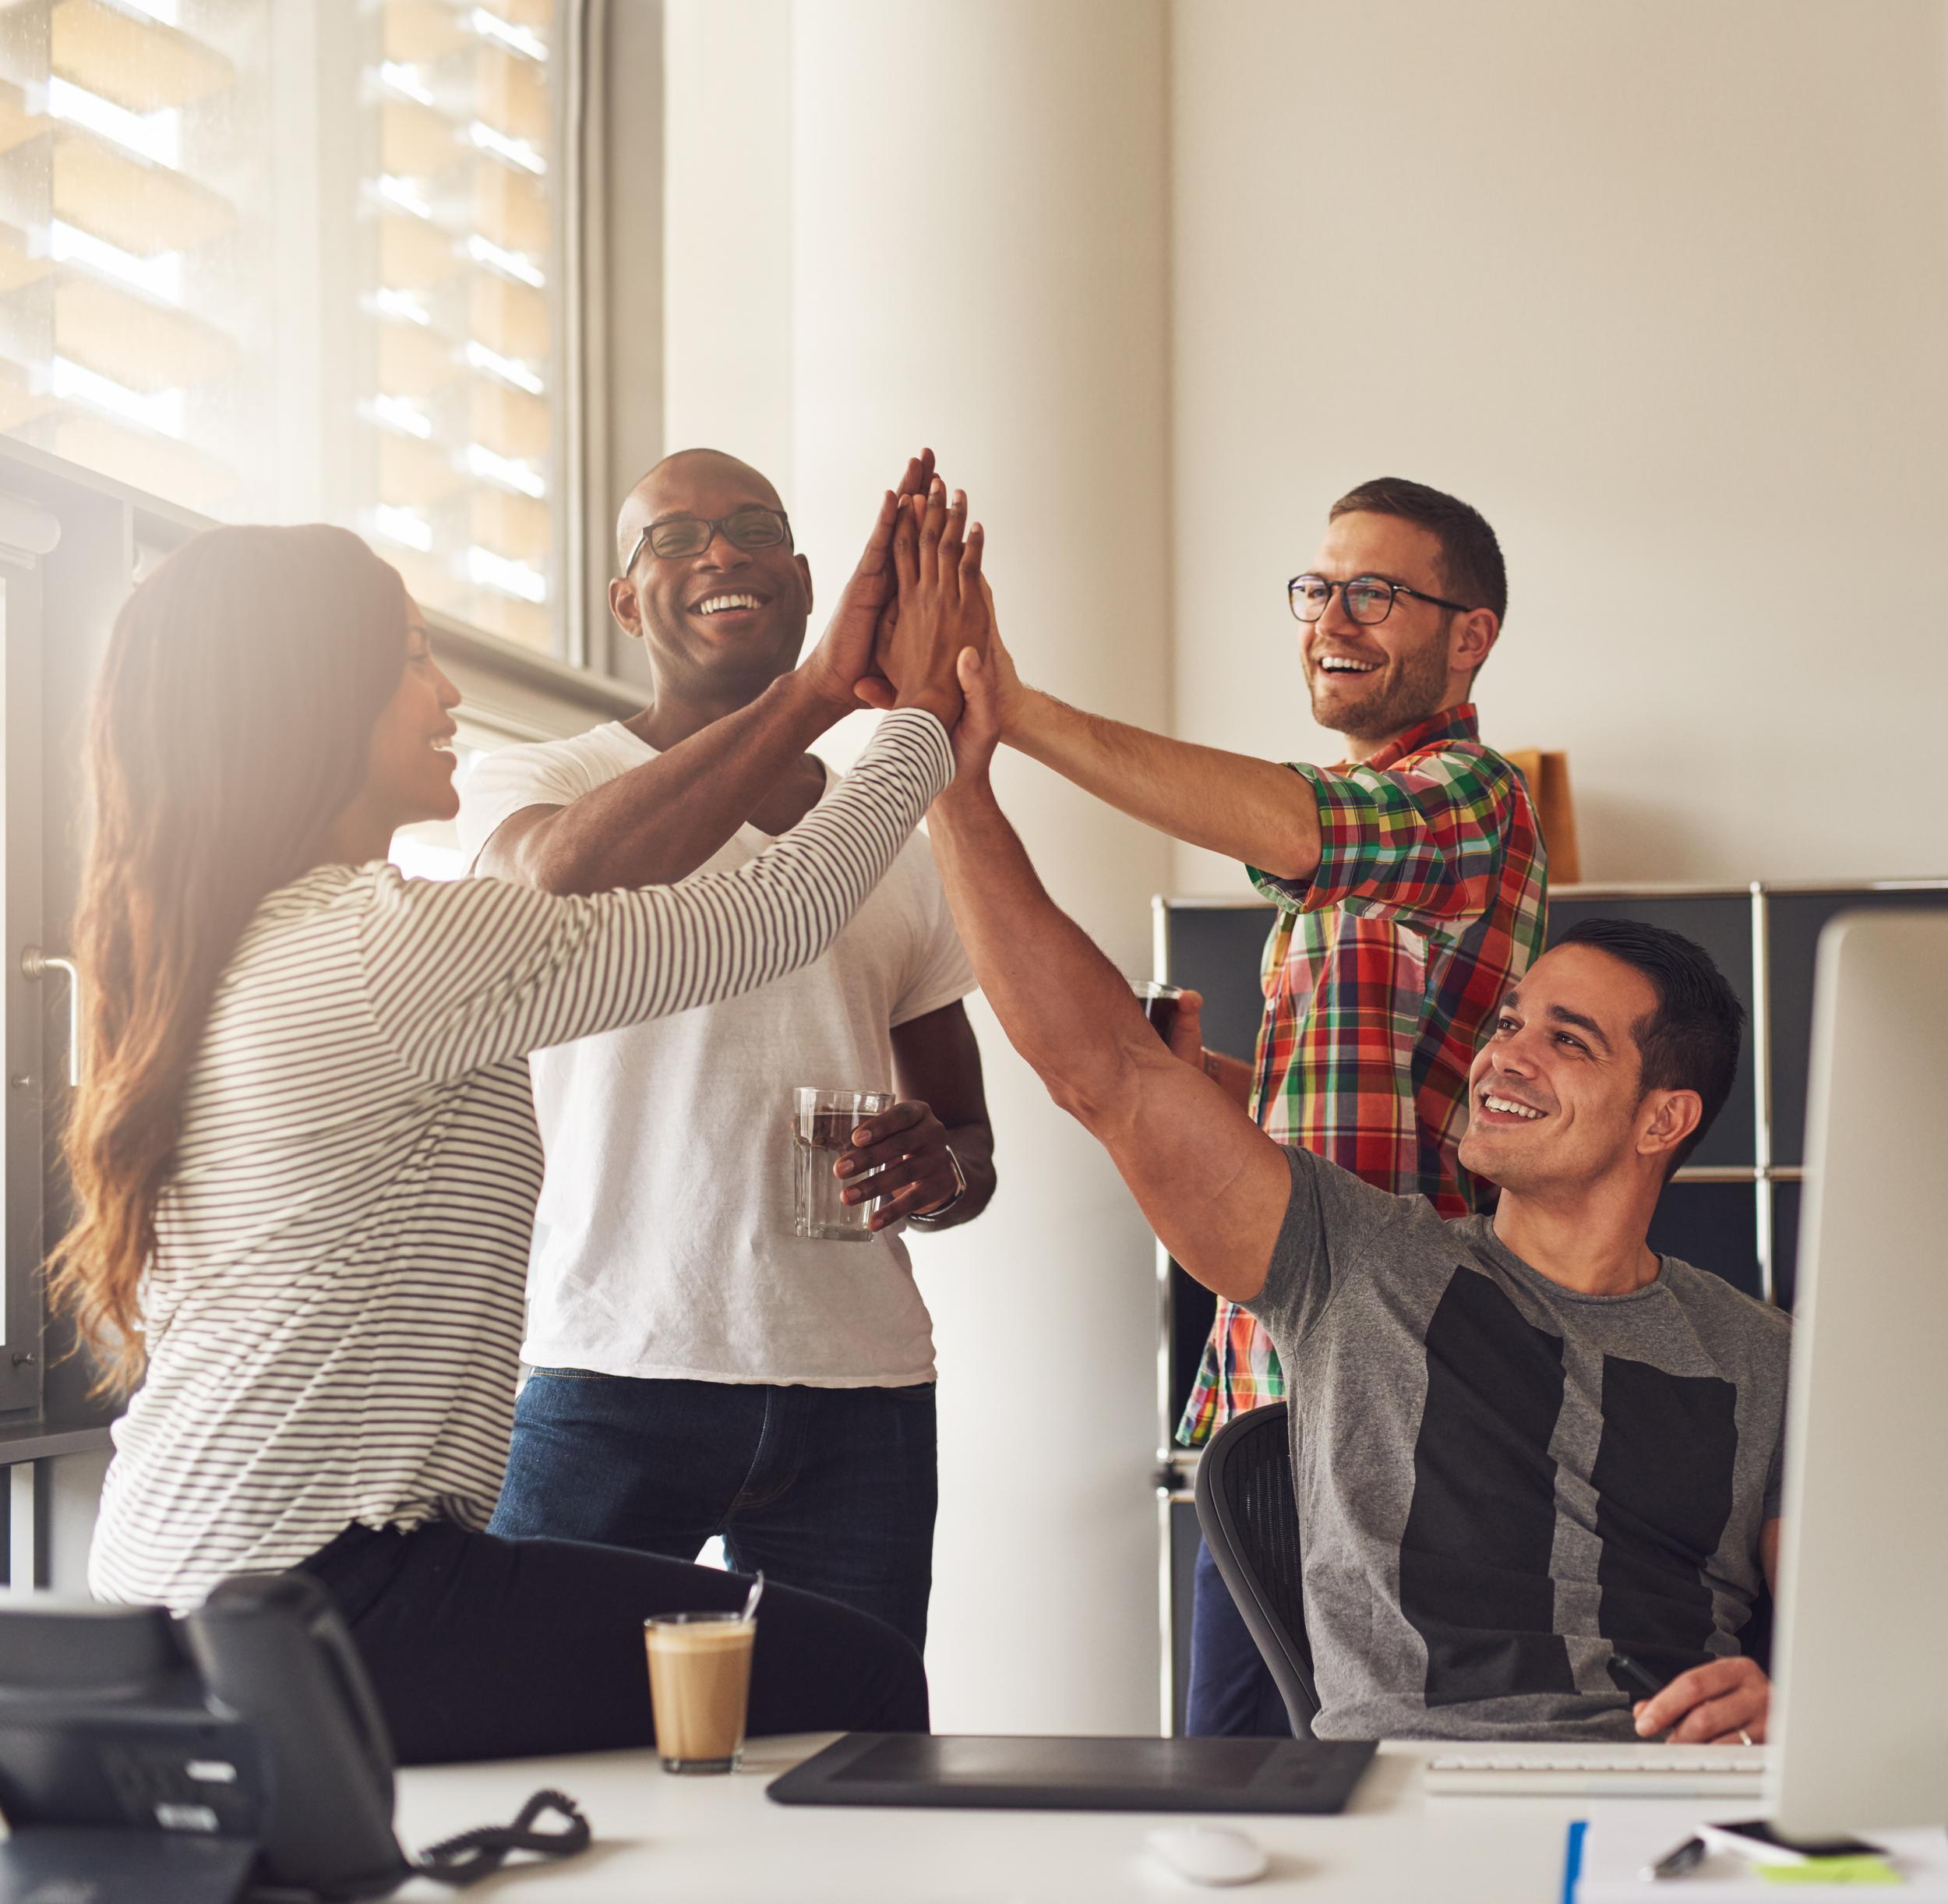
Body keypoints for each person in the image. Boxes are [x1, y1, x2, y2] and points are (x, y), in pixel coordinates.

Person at [64, 494, 985, 1764]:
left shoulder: (212, 958)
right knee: (862, 1683)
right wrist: (920, 717)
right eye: (407, 661)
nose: (444, 692)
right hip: (322, 1594)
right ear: (310, 701)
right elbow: (774, 912)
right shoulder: (388, 949)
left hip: (184, 1567)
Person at [919, 638, 1787, 1745]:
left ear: (1664, 1119)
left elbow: (1854, 1639)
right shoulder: (1361, 1262)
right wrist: (951, 775)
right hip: (1415, 1798)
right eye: (1508, 1020)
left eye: (1565, 1042)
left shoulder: (1760, 1355)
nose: (1505, 1055)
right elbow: (1106, 1073)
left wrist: (1798, 1698)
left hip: (1679, 1806)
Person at [894, 476, 1545, 1732]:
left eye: (1376, 593)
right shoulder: (1352, 868)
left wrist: (1014, 712)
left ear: (1471, 635)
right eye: (1317, 588)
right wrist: (1212, 1081)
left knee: (1381, 1772)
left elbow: (1299, 820)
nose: (1331, 620)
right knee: (1239, 1774)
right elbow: (1388, 1098)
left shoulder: (1471, 797)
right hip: (1266, 1383)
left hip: (1398, 1392)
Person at [457, 450, 993, 1652]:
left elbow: (971, 1143)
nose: (721, 551)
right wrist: (817, 692)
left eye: (754, 527)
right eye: (675, 537)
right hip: (605, 1375)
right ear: (623, 600)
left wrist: (937, 1169)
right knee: (546, 1729)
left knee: (850, 1751)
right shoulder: (539, 781)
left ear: (804, 581)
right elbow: (561, 877)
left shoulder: (891, 846)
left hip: (862, 1394)